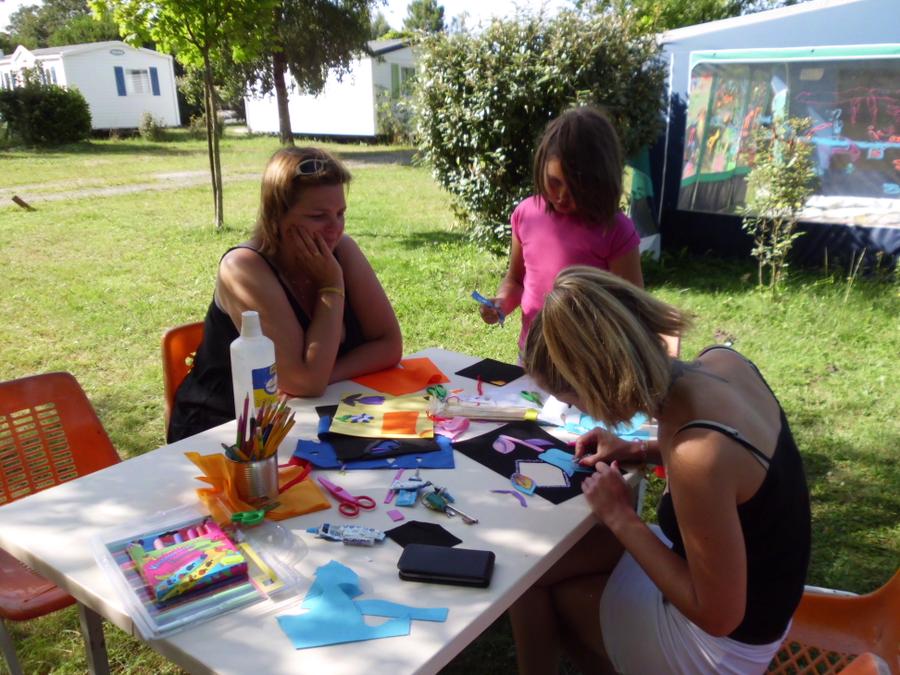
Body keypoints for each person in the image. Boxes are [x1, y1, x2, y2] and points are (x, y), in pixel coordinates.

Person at [511, 266, 811, 675]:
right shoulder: (722, 361)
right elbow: (740, 474)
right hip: (753, 595)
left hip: (723, 649)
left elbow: (718, 616)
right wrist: (637, 448)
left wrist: (621, 517)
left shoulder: (697, 455)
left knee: (558, 597)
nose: (574, 410)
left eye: (570, 399)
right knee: (530, 574)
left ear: (597, 383)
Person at [167, 147, 403, 442]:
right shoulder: (244, 267)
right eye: (318, 216)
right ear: (276, 216)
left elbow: (389, 344)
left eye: (340, 213)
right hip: (225, 432)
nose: (335, 228)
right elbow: (306, 381)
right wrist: (331, 286)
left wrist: (324, 375)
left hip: (307, 417)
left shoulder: (343, 249)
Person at [478, 106, 644, 352]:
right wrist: (501, 302)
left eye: (577, 187)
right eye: (554, 182)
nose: (563, 196)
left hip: (588, 362)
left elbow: (633, 310)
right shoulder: (526, 214)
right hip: (533, 355)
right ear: (541, 168)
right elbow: (516, 280)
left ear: (600, 181)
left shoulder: (615, 229)